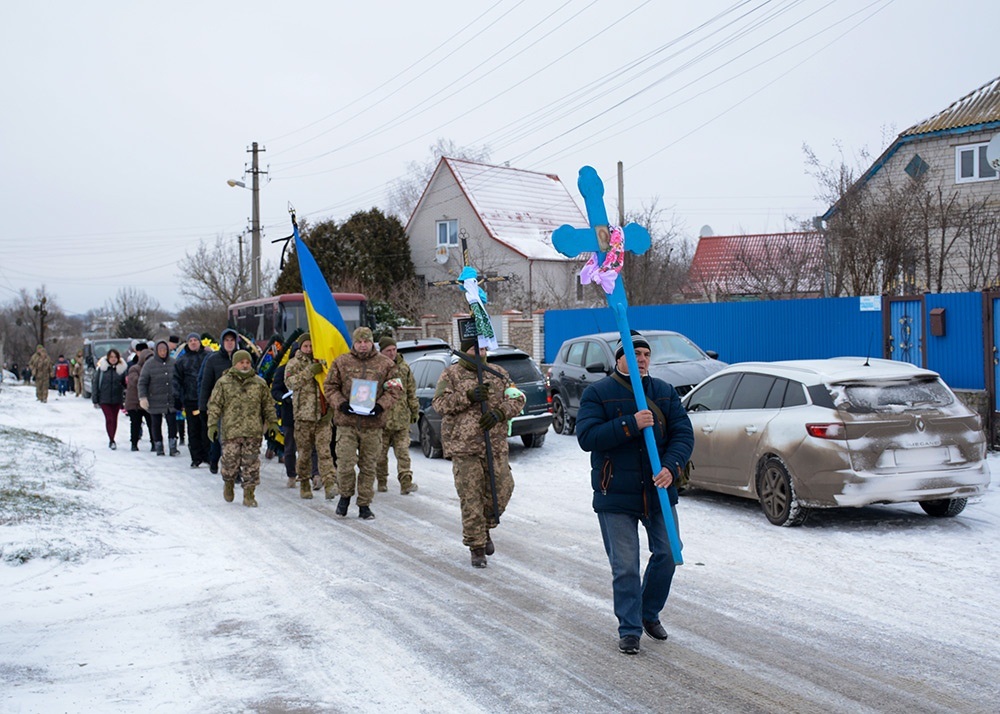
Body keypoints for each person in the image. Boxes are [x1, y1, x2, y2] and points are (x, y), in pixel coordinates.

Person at [575, 330, 694, 656]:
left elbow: (683, 433)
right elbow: (587, 436)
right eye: (634, 354)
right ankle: (629, 630)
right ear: (619, 358)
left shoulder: (664, 392)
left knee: (669, 554)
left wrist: (671, 465)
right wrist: (630, 423)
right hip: (615, 493)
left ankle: (647, 612)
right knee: (625, 566)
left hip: (658, 491)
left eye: (645, 355)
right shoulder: (598, 393)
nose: (641, 359)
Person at [431, 336, 525, 568]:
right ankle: (477, 547)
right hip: (464, 447)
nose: (480, 351)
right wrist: (468, 396)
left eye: (483, 347)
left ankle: (484, 527)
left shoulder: (498, 372)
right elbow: (439, 404)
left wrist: (500, 413)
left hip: (494, 445)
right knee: (471, 497)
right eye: (475, 348)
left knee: (502, 490)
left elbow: (518, 398)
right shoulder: (451, 374)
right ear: (465, 351)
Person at [324, 326, 399, 520]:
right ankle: (345, 496)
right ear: (354, 343)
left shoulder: (386, 364)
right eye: (359, 342)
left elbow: (395, 389)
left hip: (373, 425)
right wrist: (340, 404)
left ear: (371, 342)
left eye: (366, 341)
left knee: (369, 466)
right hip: (347, 423)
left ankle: (364, 503)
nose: (363, 345)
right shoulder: (341, 362)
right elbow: (330, 386)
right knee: (345, 464)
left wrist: (381, 406)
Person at [207, 349, 278, 508]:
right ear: (235, 364)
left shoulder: (259, 383)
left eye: (247, 362)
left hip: (253, 431)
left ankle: (249, 494)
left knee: (251, 464)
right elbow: (215, 405)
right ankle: (229, 483)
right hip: (231, 431)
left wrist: (272, 422)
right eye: (241, 362)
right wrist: (212, 424)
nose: (245, 365)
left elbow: (268, 405)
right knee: (230, 462)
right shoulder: (223, 382)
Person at [284, 333, 337, 500]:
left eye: (311, 345)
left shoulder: (323, 361)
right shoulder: (293, 363)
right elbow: (290, 383)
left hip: (322, 417)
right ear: (300, 347)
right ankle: (305, 482)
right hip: (303, 417)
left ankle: (329, 483)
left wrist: (330, 410)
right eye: (305, 346)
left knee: (324, 452)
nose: (309, 349)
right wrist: (308, 372)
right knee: (305, 453)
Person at [376, 336, 420, 495]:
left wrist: (414, 411)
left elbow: (411, 392)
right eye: (388, 351)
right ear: (381, 352)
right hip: (382, 419)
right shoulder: (377, 368)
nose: (392, 353)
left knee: (403, 452)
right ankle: (381, 481)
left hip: (401, 419)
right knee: (380, 454)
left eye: (394, 350)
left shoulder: (404, 368)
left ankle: (405, 482)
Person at [198, 329, 241, 474]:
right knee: (219, 435)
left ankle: (235, 469)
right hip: (219, 404)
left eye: (232, 340)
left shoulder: (242, 358)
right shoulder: (213, 360)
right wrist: (203, 406)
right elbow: (206, 384)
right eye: (227, 340)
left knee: (236, 437)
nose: (229, 343)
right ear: (222, 342)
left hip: (239, 405)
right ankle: (215, 458)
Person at [173, 333, 211, 468]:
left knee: (206, 428)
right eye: (191, 340)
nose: (193, 342)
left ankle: (208, 455)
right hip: (191, 400)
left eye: (195, 340)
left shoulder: (208, 358)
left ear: (200, 342)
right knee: (193, 429)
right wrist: (177, 397)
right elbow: (176, 380)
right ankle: (196, 457)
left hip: (207, 400)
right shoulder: (182, 360)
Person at [139, 340, 178, 456]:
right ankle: (159, 445)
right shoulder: (149, 364)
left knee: (172, 423)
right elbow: (142, 382)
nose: (163, 352)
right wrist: (143, 397)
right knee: (156, 423)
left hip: (170, 399)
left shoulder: (174, 363)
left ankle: (173, 446)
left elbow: (179, 379)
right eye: (160, 350)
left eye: (165, 350)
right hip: (154, 398)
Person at [91, 348, 127, 449]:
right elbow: (95, 384)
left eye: (115, 357)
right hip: (104, 399)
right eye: (111, 357)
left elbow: (125, 384)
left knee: (114, 419)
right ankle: (111, 440)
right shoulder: (102, 369)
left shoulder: (121, 370)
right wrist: (95, 399)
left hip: (117, 398)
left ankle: (112, 437)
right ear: (108, 358)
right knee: (109, 418)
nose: (113, 359)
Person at [124, 343, 154, 451]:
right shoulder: (135, 368)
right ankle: (134, 443)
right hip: (135, 402)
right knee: (136, 423)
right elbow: (134, 381)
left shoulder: (153, 369)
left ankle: (154, 443)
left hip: (149, 401)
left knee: (152, 423)